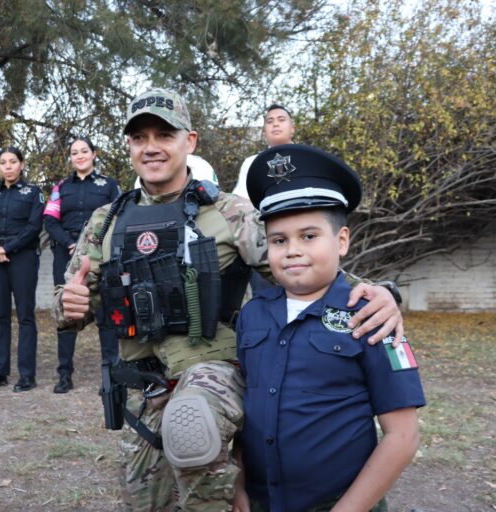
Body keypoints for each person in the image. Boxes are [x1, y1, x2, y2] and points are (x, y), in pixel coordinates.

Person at [54, 88, 405, 511]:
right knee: (147, 501)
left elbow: (301, 267)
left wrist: (380, 292)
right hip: (141, 386)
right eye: (139, 137)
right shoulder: (105, 220)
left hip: (211, 374)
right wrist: (68, 306)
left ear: (190, 141)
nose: (151, 148)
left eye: (164, 135)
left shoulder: (229, 212)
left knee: (195, 437)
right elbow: (71, 299)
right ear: (128, 145)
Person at [233, 145, 425, 512]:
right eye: (278, 240)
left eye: (308, 236)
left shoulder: (371, 316)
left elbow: (403, 435)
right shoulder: (252, 316)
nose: (291, 250)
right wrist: (239, 481)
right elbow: (249, 413)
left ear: (341, 241)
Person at [44, 136, 121, 394]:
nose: (79, 156)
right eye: (74, 152)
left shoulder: (109, 185)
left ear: (94, 154)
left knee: (106, 317)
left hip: (100, 259)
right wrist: (70, 244)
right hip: (67, 256)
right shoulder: (60, 187)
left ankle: (109, 377)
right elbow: (50, 221)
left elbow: (117, 218)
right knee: (67, 311)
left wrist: (92, 248)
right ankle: (64, 375)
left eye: (84, 151)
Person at [0, 147, 45, 392]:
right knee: (0, 316)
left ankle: (26, 375)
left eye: (13, 161)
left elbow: (34, 227)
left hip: (22, 257)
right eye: (3, 162)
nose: (8, 166)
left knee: (25, 316)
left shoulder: (34, 193)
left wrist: (7, 248)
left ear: (21, 164)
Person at [234, 104, 297, 295]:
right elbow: (241, 204)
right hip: (265, 242)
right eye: (270, 121)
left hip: (300, 235)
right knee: (268, 298)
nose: (275, 125)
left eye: (281, 120)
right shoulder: (252, 162)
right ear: (264, 131)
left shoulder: (307, 157)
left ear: (292, 127)